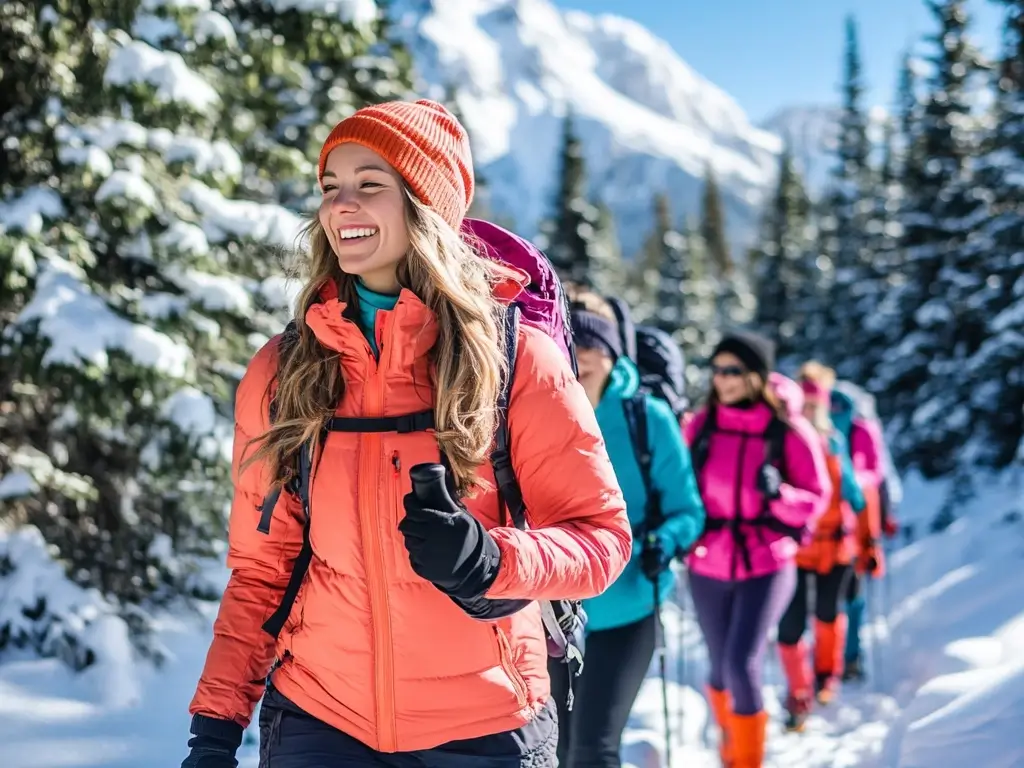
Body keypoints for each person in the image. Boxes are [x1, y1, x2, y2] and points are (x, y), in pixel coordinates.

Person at [179, 99, 633, 768]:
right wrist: (216, 727)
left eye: (370, 185)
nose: (342, 207)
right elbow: (261, 570)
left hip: (485, 728)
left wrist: (491, 559)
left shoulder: (515, 359)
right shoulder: (285, 370)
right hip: (320, 720)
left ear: (425, 205)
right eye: (331, 188)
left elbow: (602, 539)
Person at [548, 288, 706, 768]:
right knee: (555, 749)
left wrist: (665, 542)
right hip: (554, 611)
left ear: (615, 352)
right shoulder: (543, 410)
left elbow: (688, 510)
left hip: (629, 603)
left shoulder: (646, 417)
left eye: (596, 346)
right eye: (576, 345)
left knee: (592, 750)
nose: (586, 358)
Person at [684, 332, 830, 768]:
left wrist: (779, 494)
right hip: (708, 561)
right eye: (717, 370)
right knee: (717, 665)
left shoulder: (787, 430)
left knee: (741, 661)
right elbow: (680, 485)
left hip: (766, 562)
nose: (722, 379)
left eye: (733, 370)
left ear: (756, 375)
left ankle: (747, 762)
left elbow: (815, 498)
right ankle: (731, 750)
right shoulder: (703, 425)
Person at [776, 362, 866, 732]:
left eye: (817, 405)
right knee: (790, 624)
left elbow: (854, 496)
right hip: (796, 550)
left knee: (828, 612)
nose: (811, 412)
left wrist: (868, 533)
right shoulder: (785, 441)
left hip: (835, 546)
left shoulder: (834, 443)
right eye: (806, 405)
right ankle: (799, 693)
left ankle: (827, 674)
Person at [829, 384, 889, 681]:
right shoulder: (862, 431)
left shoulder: (831, 431)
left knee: (841, 598)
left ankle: (841, 658)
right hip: (853, 526)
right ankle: (848, 657)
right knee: (851, 598)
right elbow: (876, 477)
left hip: (843, 527)